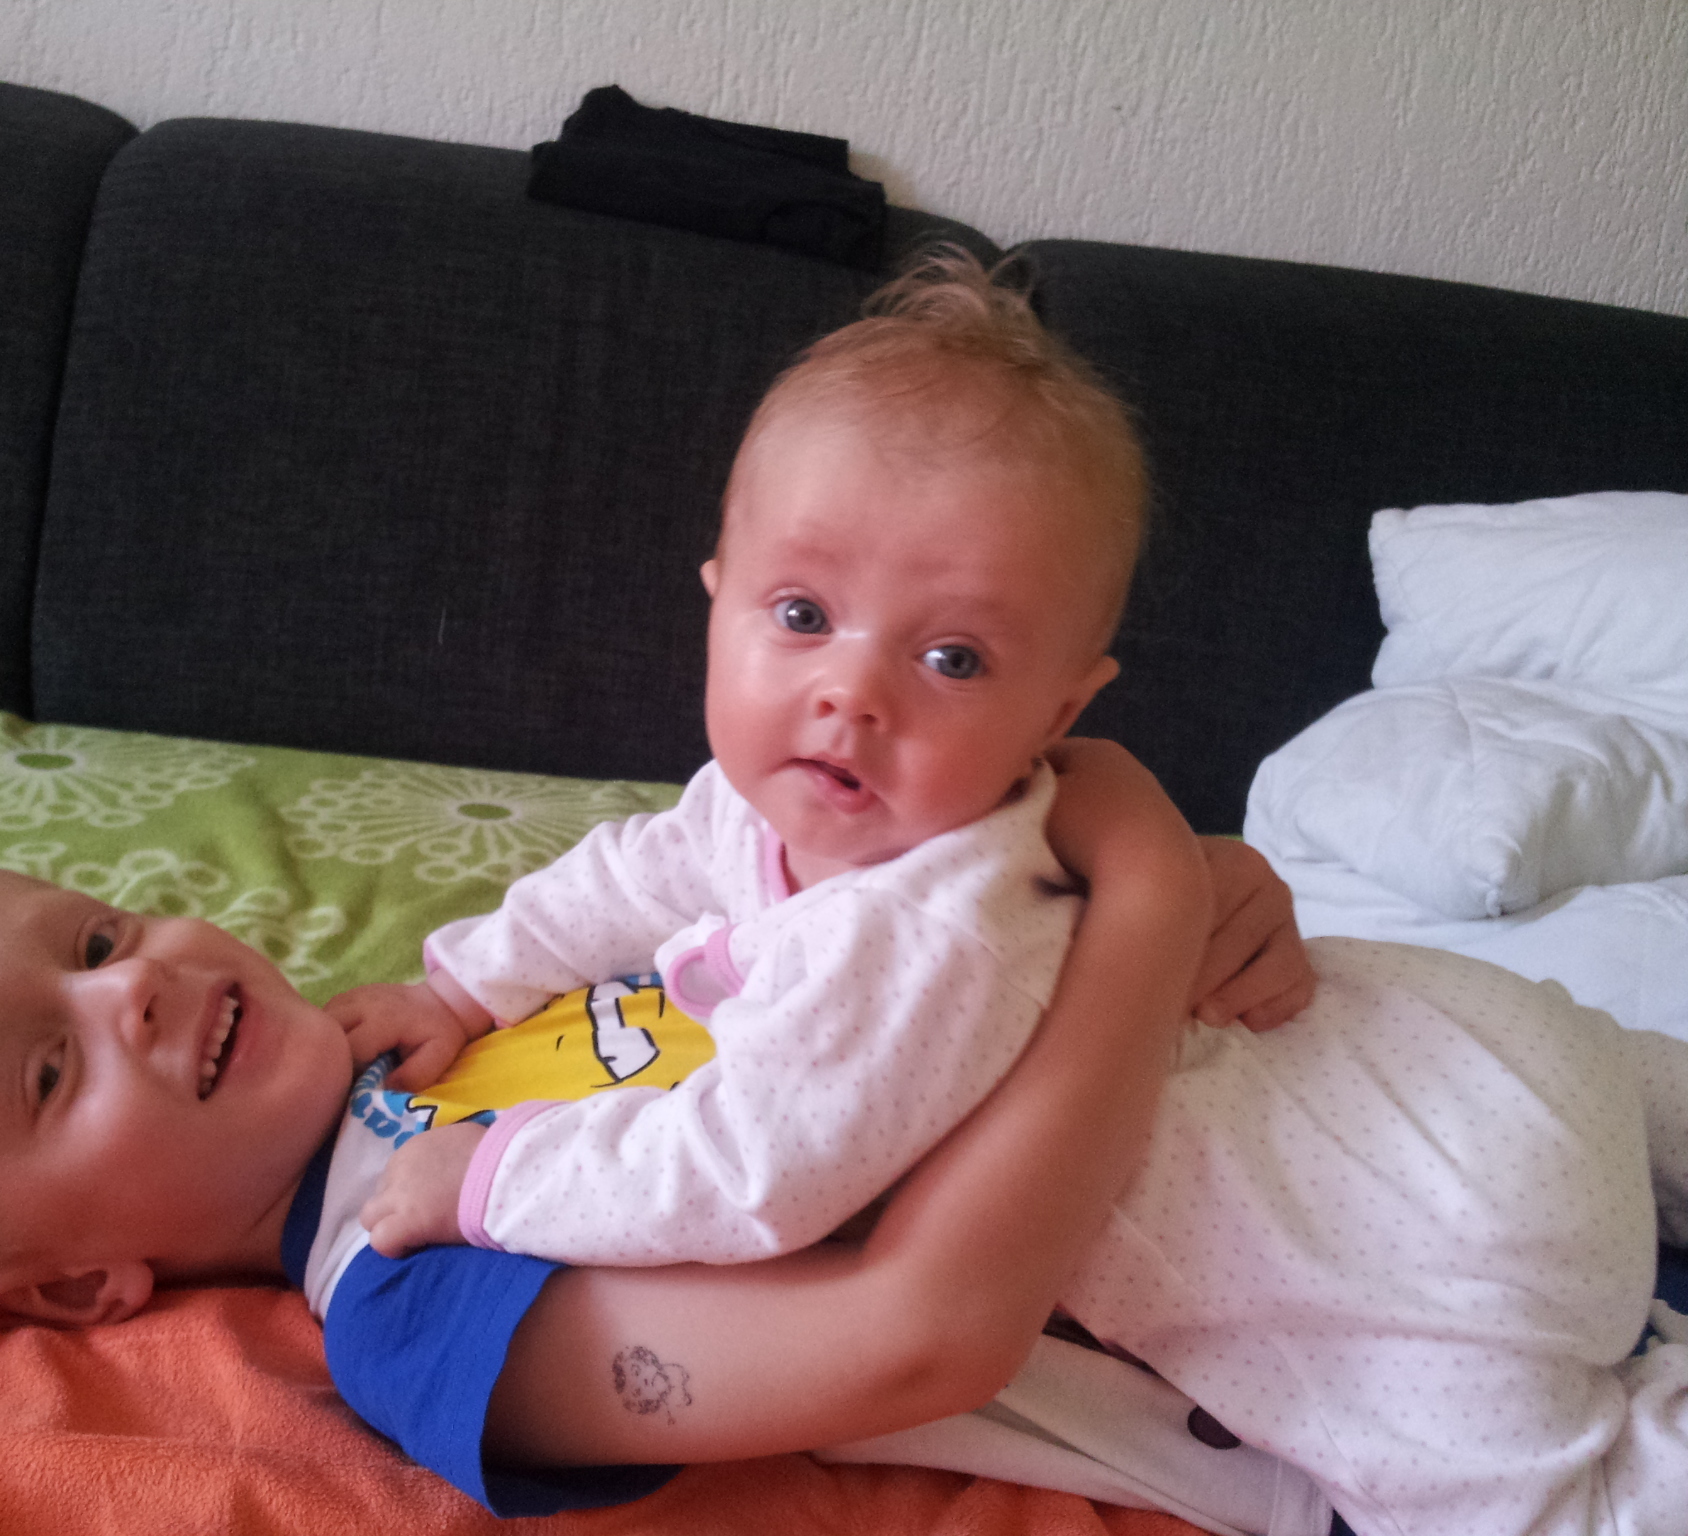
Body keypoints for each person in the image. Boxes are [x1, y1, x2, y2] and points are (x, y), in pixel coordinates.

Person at [327, 251, 1688, 1535]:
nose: (851, 691)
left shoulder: (922, 931)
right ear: (717, 599)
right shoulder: (762, 804)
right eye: (801, 615)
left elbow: (746, 1174)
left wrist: (491, 1179)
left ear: (1061, 711)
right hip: (1492, 1041)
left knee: (1536, 1504)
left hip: (1416, 1237)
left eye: (955, 660)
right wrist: (463, 984)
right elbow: (633, 869)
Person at [0, 739, 1260, 1517]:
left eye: (94, 938)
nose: (128, 988)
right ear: (77, 1286)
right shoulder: (405, 1310)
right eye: (46, 1074)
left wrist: (1149, 901)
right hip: (1267, 1330)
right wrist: (1141, 894)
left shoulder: (445, 1022)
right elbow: (920, 1335)